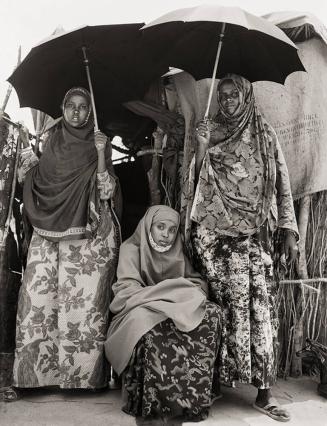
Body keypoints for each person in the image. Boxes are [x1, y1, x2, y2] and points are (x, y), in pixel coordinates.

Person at [184, 74, 298, 422]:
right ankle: (217, 383)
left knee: (260, 313)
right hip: (216, 241)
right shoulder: (210, 131)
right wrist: (202, 147)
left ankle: (264, 393)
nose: (229, 100)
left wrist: (289, 228)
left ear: (247, 97)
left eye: (235, 95)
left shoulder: (265, 135)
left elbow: (281, 182)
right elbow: (193, 188)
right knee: (220, 312)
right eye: (224, 95)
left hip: (254, 240)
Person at [11, 87, 121, 392]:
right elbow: (33, 181)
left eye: (83, 107)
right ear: (62, 108)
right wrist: (26, 169)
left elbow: (106, 192)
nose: (76, 112)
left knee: (82, 307)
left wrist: (100, 155)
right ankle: (38, 378)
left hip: (88, 236)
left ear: (91, 113)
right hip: (47, 232)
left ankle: (83, 380)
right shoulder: (49, 141)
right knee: (40, 300)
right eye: (70, 106)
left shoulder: (101, 145)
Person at [105, 205, 221, 424]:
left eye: (171, 229)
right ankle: (150, 401)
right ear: (149, 226)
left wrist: (175, 295)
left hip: (172, 307)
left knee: (212, 314)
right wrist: (170, 293)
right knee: (144, 323)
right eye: (160, 227)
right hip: (138, 307)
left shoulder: (177, 251)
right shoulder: (131, 249)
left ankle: (191, 397)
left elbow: (196, 284)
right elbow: (126, 292)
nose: (166, 235)